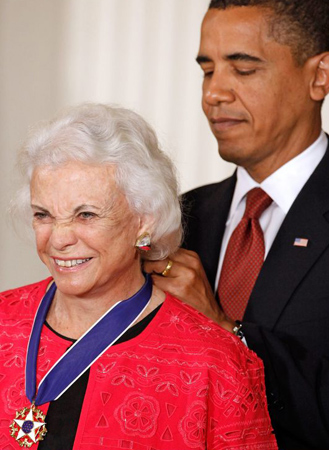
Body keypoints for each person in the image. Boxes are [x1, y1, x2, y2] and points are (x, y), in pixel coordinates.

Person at [0, 103, 277, 450]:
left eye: (85, 214)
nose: (59, 239)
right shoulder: (3, 320)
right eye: (44, 215)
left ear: (144, 220)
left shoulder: (215, 363)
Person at [144, 1, 329, 449]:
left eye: (243, 70)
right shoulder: (176, 217)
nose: (214, 94)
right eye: (208, 71)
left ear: (319, 76)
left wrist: (224, 331)